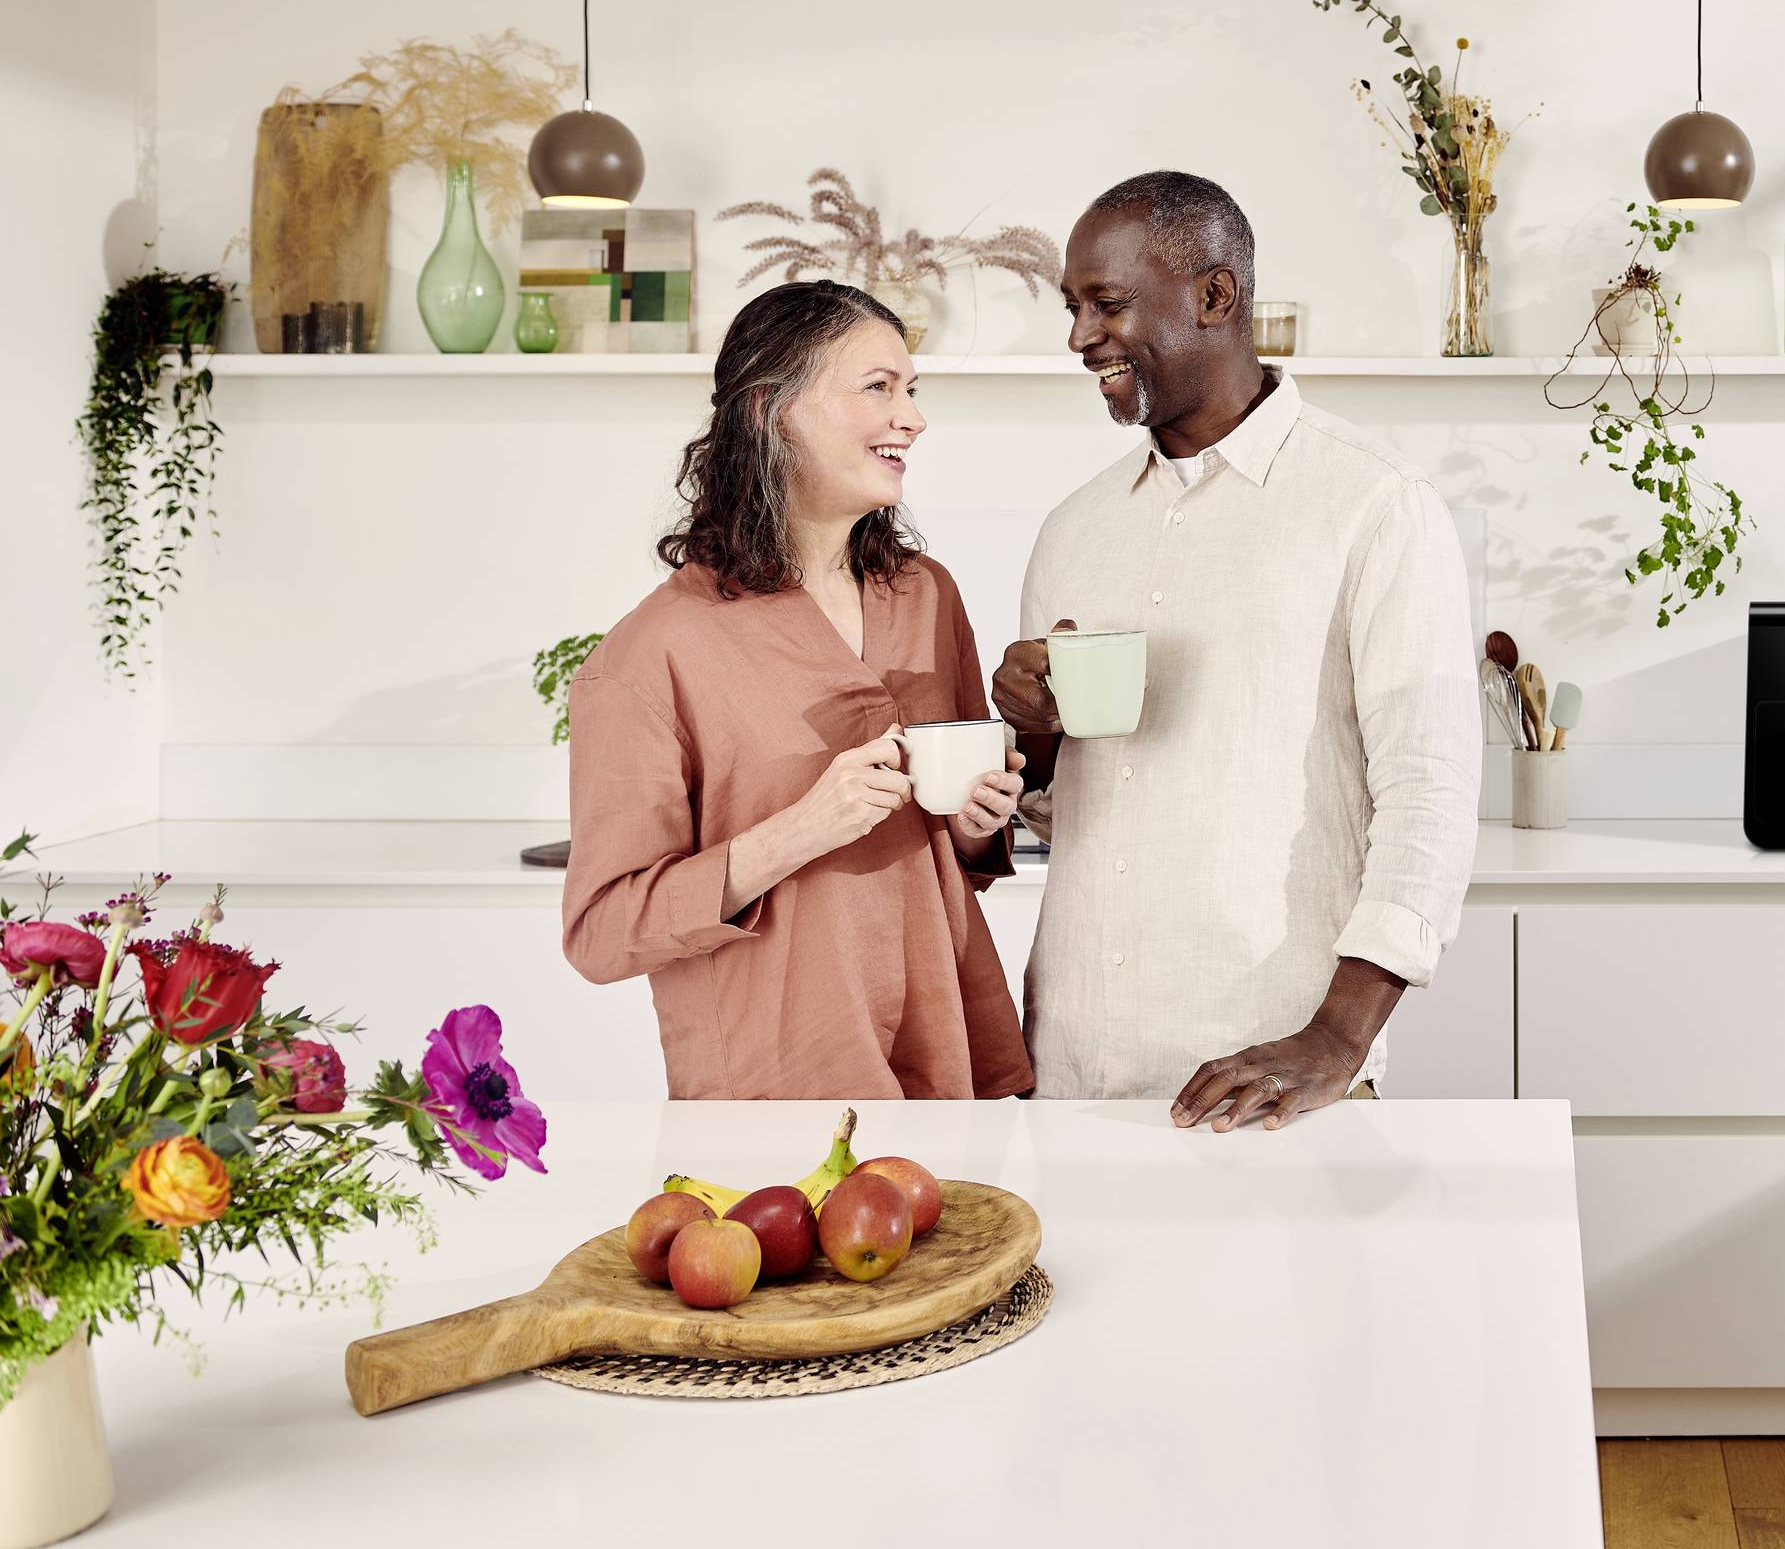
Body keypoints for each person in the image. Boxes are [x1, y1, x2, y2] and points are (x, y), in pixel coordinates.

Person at [994, 171, 1477, 1129]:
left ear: (1216, 296)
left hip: (1274, 1074)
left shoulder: (1374, 506)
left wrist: (1338, 1038)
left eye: (1109, 303)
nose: (1080, 336)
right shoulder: (1074, 530)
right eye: (1073, 306)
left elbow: (1431, 791)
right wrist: (1033, 735)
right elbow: (1063, 806)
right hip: (1075, 1067)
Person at [562, 281, 1034, 1100]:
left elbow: (955, 859)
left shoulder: (925, 596)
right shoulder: (651, 655)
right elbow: (602, 933)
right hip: (778, 1091)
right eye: (878, 388)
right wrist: (802, 830)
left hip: (949, 1055)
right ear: (771, 409)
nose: (913, 419)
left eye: (912, 391)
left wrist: (971, 823)